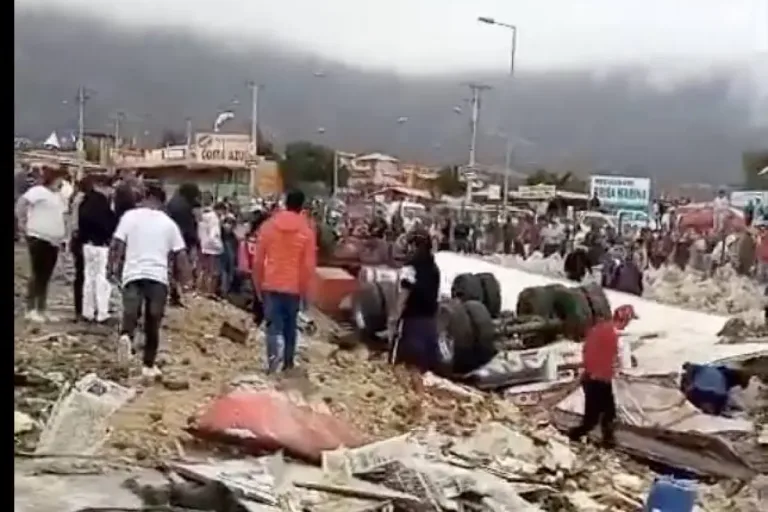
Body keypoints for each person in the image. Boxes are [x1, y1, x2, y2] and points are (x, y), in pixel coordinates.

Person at [109, 184, 190, 379]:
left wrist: (111, 267)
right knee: (153, 320)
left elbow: (116, 243)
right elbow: (180, 255)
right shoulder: (169, 224)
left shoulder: (129, 217)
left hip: (133, 273)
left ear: (146, 197)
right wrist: (184, 281)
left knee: (131, 312)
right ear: (161, 202)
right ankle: (148, 365)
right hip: (157, 276)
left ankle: (126, 337)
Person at [253, 190, 316, 373]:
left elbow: (258, 260)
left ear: (285, 203)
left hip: (271, 284)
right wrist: (305, 291)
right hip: (294, 287)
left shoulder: (269, 226)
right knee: (290, 327)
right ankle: (288, 363)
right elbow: (308, 266)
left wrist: (258, 285)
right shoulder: (306, 231)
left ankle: (273, 363)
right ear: (302, 206)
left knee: (273, 326)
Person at [568, 304, 638, 446]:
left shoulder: (599, 330)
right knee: (594, 417)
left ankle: (608, 440)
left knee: (608, 412)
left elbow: (588, 351)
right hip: (597, 378)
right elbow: (601, 356)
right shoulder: (611, 335)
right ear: (625, 320)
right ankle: (574, 435)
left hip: (597, 377)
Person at [15, 166, 68, 322]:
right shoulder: (38, 191)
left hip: (54, 240)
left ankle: (41, 308)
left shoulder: (58, 196)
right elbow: (21, 203)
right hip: (38, 236)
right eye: (60, 179)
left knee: (46, 275)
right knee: (37, 273)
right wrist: (22, 223)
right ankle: (30, 308)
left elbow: (62, 216)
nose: (62, 182)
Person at [388, 230, 442, 373]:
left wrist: (394, 318)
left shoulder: (410, 268)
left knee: (404, 367)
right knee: (426, 367)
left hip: (412, 321)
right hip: (430, 322)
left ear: (414, 246)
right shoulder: (434, 268)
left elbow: (404, 294)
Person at [78, 174, 118, 323]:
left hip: (87, 245)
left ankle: (87, 311)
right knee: (102, 279)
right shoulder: (101, 202)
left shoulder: (84, 201)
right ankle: (102, 313)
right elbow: (108, 223)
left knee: (89, 278)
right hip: (101, 245)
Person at [166, 183, 201, 306]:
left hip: (170, 240)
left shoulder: (173, 202)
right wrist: (195, 241)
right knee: (179, 269)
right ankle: (175, 295)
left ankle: (173, 294)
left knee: (172, 269)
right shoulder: (184, 206)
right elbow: (188, 227)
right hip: (181, 242)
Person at [680, 363, 751, 416]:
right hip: (717, 395)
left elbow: (689, 367)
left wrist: (688, 385)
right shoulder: (722, 383)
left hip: (700, 391)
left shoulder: (705, 369)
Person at [69, 176, 92, 321]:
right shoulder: (82, 200)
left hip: (77, 240)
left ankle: (81, 307)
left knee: (81, 275)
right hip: (81, 240)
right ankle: (81, 308)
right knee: (83, 275)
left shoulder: (77, 198)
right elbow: (75, 223)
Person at [196, 193, 223, 296]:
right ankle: (210, 292)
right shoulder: (213, 217)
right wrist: (218, 246)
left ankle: (200, 290)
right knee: (214, 272)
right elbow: (214, 233)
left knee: (203, 270)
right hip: (213, 248)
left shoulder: (200, 215)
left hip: (203, 245)